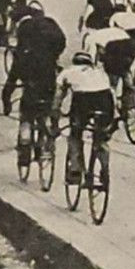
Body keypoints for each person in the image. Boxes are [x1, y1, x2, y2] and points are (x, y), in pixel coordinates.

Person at [57, 51, 116, 191]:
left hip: (83, 99)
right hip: (105, 99)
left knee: (75, 134)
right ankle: (104, 169)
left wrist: (56, 111)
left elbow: (59, 95)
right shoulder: (99, 72)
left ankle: (75, 170)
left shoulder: (68, 72)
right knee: (101, 138)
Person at [2, 5, 66, 116]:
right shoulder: (49, 21)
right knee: (50, 86)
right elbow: (61, 41)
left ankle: (6, 102)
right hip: (49, 60)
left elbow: (22, 49)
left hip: (32, 62)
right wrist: (54, 56)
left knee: (14, 75)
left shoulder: (24, 27)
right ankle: (52, 118)